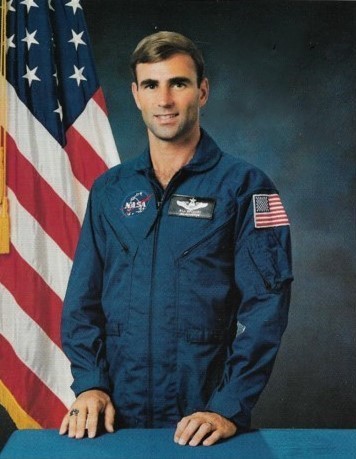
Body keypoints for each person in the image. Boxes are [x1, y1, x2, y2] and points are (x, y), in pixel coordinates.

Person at [59, 31, 293, 447]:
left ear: (202, 92)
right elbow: (82, 301)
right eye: (151, 85)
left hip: (204, 420)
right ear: (136, 94)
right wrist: (90, 384)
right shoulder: (110, 190)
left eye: (178, 83)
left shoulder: (247, 188)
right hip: (117, 418)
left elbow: (265, 308)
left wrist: (228, 405)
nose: (164, 100)